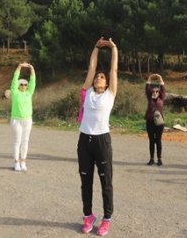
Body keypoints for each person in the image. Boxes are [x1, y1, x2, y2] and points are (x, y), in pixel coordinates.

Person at [77, 37, 118, 236]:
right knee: (86, 181)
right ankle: (88, 216)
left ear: (107, 82)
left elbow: (113, 70)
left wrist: (113, 48)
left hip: (102, 141)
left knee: (105, 182)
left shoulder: (110, 94)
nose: (98, 77)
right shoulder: (88, 93)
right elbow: (92, 66)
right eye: (97, 77)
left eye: (102, 77)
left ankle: (106, 219)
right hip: (85, 140)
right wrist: (95, 46)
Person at [10, 62, 36, 171]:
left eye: (25, 84)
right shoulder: (15, 92)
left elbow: (33, 81)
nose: (24, 86)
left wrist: (31, 68)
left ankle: (23, 161)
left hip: (27, 120)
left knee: (25, 141)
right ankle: (16, 162)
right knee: (17, 141)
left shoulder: (29, 92)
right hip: (16, 120)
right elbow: (14, 80)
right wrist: (19, 67)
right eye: (21, 84)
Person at [144, 74, 166, 166]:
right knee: (151, 140)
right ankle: (152, 158)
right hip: (150, 121)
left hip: (159, 123)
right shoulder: (149, 98)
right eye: (153, 91)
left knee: (158, 140)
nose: (155, 92)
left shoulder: (161, 98)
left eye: (157, 91)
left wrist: (160, 77)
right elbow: (147, 88)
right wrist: (150, 78)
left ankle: (159, 159)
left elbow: (163, 88)